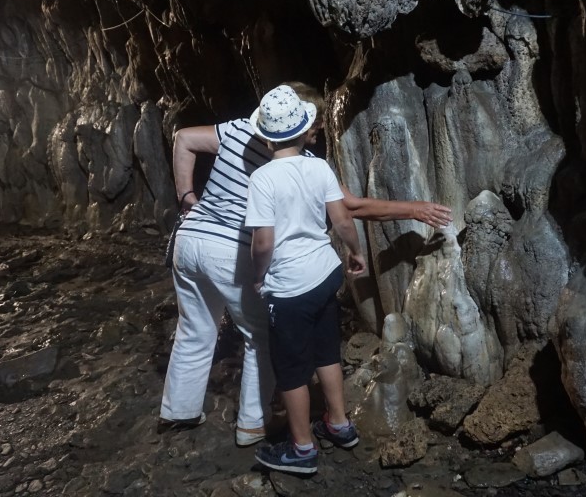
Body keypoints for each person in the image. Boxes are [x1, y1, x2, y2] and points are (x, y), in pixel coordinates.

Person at [159, 82, 451, 448]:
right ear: (301, 123)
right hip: (230, 249)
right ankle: (253, 424)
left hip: (189, 240)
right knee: (261, 336)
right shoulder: (303, 165)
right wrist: (413, 209)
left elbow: (184, 138)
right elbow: (349, 209)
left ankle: (180, 410)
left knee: (194, 327)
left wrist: (187, 196)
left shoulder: (236, 129)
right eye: (316, 123)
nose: (320, 131)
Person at [245, 84, 365, 473]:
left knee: (292, 370)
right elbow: (342, 220)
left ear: (266, 137)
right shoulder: (319, 166)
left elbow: (263, 242)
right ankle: (340, 424)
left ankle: (301, 449)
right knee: (327, 351)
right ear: (303, 130)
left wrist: (258, 276)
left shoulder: (262, 179)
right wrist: (356, 252)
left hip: (290, 288)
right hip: (326, 274)